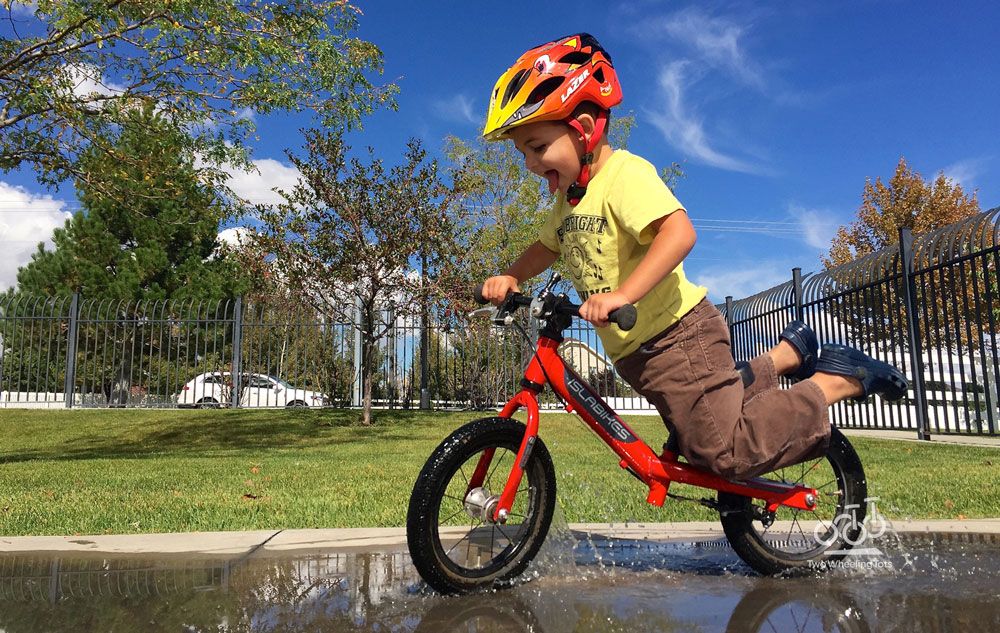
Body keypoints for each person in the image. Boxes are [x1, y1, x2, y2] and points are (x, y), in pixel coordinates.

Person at [479, 34, 907, 480]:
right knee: (700, 426)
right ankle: (785, 356)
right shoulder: (569, 201)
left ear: (584, 128)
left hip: (678, 337)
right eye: (522, 151)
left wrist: (623, 293)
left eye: (537, 146)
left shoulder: (623, 175)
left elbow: (679, 233)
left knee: (722, 451)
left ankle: (834, 380)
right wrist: (510, 275)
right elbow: (547, 245)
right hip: (638, 351)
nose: (529, 161)